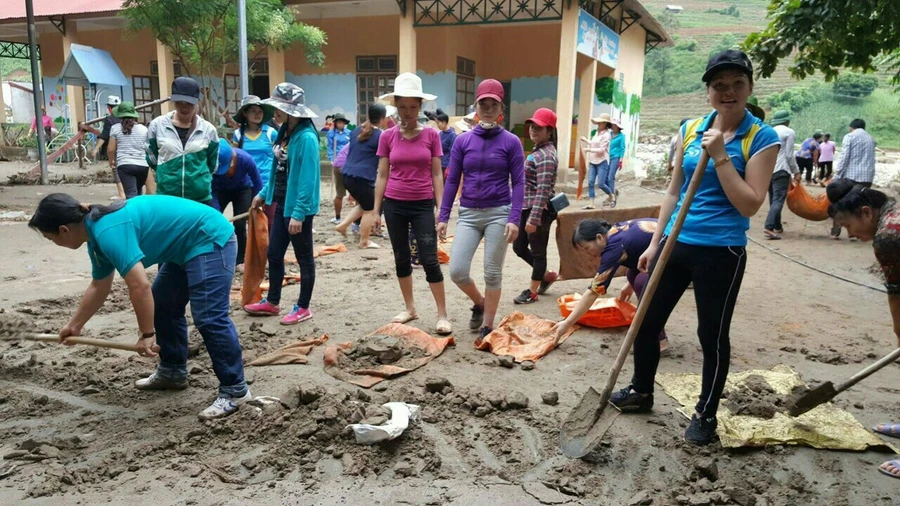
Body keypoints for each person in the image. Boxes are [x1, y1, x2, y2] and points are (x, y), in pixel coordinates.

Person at [609, 50, 779, 446]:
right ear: (708, 92)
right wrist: (655, 241)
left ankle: (706, 413)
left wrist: (721, 157)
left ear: (750, 88)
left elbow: (751, 203)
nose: (728, 92)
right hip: (676, 244)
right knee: (646, 322)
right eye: (719, 85)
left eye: (738, 83)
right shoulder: (690, 129)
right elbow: (673, 192)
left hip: (722, 251)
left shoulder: (761, 137)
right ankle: (641, 390)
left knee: (711, 334)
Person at [30, 193, 251, 419]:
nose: (54, 243)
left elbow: (139, 286)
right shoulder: (96, 236)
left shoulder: (107, 231)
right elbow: (99, 286)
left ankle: (235, 390)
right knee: (163, 303)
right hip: (185, 246)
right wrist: (74, 325)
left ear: (64, 230)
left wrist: (147, 334)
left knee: (209, 316)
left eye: (50, 238)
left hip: (209, 239)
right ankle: (173, 371)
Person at [437, 80, 525, 340]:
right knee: (457, 271)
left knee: (492, 271)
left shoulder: (511, 142)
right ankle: (479, 302)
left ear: (501, 109)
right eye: (483, 104)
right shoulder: (463, 141)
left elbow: (518, 181)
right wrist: (443, 216)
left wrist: (514, 218)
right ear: (476, 107)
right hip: (468, 213)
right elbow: (452, 179)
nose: (487, 109)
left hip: (499, 212)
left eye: (493, 104)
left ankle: (487, 325)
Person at [825, 182, 900, 479]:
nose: (849, 233)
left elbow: (896, 293)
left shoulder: (888, 237)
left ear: (866, 212)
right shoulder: (893, 211)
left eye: (847, 225)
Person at [373, 72, 451, 335]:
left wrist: (442, 210)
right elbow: (382, 174)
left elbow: (437, 173)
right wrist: (375, 211)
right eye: (402, 107)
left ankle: (442, 314)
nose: (407, 112)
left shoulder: (431, 135)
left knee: (430, 259)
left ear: (420, 106)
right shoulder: (387, 136)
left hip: (421, 205)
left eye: (413, 107)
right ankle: (410, 308)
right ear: (396, 105)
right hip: (394, 204)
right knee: (401, 257)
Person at [243, 83, 321, 325]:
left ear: (293, 111)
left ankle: (303, 307)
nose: (274, 112)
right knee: (275, 254)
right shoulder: (285, 131)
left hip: (298, 208)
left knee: (304, 257)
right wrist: (264, 194)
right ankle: (273, 301)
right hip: (283, 202)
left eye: (279, 108)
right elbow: (279, 170)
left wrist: (298, 213)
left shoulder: (306, 137)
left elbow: (307, 179)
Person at [553, 219, 670, 353]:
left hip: (677, 254)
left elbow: (593, 291)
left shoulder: (613, 248)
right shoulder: (616, 230)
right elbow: (639, 249)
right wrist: (629, 284)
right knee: (632, 275)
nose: (588, 253)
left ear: (599, 237)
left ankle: (659, 341)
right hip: (664, 246)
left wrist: (567, 323)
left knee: (642, 282)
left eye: (586, 248)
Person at [512, 108, 560, 305]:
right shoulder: (539, 150)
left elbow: (542, 190)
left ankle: (532, 292)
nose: (533, 130)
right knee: (519, 246)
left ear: (549, 131)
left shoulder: (546, 155)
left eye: (539, 127)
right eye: (532, 126)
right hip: (527, 207)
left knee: (538, 251)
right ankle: (547, 275)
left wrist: (534, 218)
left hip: (537, 210)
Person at [146, 77, 219, 205]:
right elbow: (151, 155)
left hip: (200, 198)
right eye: (180, 102)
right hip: (167, 196)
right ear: (173, 101)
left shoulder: (208, 130)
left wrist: (200, 179)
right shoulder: (157, 126)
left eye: (189, 103)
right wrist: (164, 172)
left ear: (196, 102)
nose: (184, 107)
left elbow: (213, 162)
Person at [335, 104, 388, 249]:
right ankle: (364, 241)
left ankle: (343, 225)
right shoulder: (381, 135)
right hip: (362, 177)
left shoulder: (357, 130)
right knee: (370, 209)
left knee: (365, 205)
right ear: (383, 118)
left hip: (346, 174)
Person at [213, 139, 263, 270]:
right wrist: (216, 212)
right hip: (219, 190)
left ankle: (241, 259)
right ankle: (216, 257)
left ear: (233, 158)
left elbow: (257, 181)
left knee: (240, 223)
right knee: (214, 222)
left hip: (242, 189)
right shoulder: (210, 164)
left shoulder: (245, 158)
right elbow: (210, 190)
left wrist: (260, 199)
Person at [232, 95, 278, 224]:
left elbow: (279, 157)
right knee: (251, 220)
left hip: (268, 182)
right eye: (253, 111)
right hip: (247, 184)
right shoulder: (238, 135)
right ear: (245, 113)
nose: (257, 114)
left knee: (270, 219)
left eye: (260, 111)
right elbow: (234, 159)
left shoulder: (271, 133)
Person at [831, 119, 876, 239]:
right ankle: (857, 233)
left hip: (852, 176)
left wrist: (837, 176)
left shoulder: (850, 136)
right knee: (860, 205)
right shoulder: (871, 139)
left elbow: (844, 157)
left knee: (840, 203)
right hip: (867, 177)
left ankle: (835, 231)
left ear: (851, 127)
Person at [764, 110, 800, 240]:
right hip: (781, 169)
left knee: (773, 198)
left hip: (768, 170)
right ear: (786, 120)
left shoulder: (768, 131)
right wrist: (796, 171)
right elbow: (789, 155)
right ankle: (768, 227)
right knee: (778, 199)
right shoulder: (788, 132)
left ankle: (777, 226)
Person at [107, 102, 152, 199]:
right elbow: (148, 147)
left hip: (125, 165)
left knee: (131, 196)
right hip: (143, 166)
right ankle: (140, 213)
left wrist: (111, 161)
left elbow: (111, 149)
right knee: (138, 194)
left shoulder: (115, 128)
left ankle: (133, 214)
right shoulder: (144, 129)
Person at [580, 113, 611, 209]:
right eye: (598, 123)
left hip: (602, 161)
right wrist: (586, 140)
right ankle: (591, 203)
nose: (598, 124)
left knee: (601, 183)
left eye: (600, 122)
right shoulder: (596, 133)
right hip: (593, 161)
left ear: (605, 123)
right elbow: (594, 144)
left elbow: (601, 150)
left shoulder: (607, 135)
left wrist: (588, 150)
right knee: (590, 182)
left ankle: (611, 195)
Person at [327, 113, 352, 224]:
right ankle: (337, 217)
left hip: (350, 163)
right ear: (336, 123)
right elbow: (330, 147)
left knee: (356, 192)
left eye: (343, 122)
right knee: (340, 192)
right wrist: (332, 159)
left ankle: (357, 220)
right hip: (338, 163)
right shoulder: (331, 133)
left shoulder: (349, 133)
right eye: (339, 122)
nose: (341, 124)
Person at [430, 109, 457, 179]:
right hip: (439, 164)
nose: (438, 125)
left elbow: (453, 153)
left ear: (444, 122)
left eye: (439, 123)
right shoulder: (440, 134)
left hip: (446, 165)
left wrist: (449, 167)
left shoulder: (452, 135)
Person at [93, 95, 122, 160]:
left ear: (109, 108)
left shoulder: (109, 120)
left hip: (115, 149)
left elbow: (104, 136)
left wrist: (96, 148)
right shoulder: (128, 118)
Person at [607, 118, 626, 207]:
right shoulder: (609, 134)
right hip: (607, 157)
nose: (613, 126)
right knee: (606, 178)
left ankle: (612, 198)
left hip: (616, 157)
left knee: (610, 177)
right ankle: (613, 192)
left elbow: (622, 148)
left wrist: (621, 160)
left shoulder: (621, 136)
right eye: (612, 125)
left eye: (614, 125)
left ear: (617, 127)